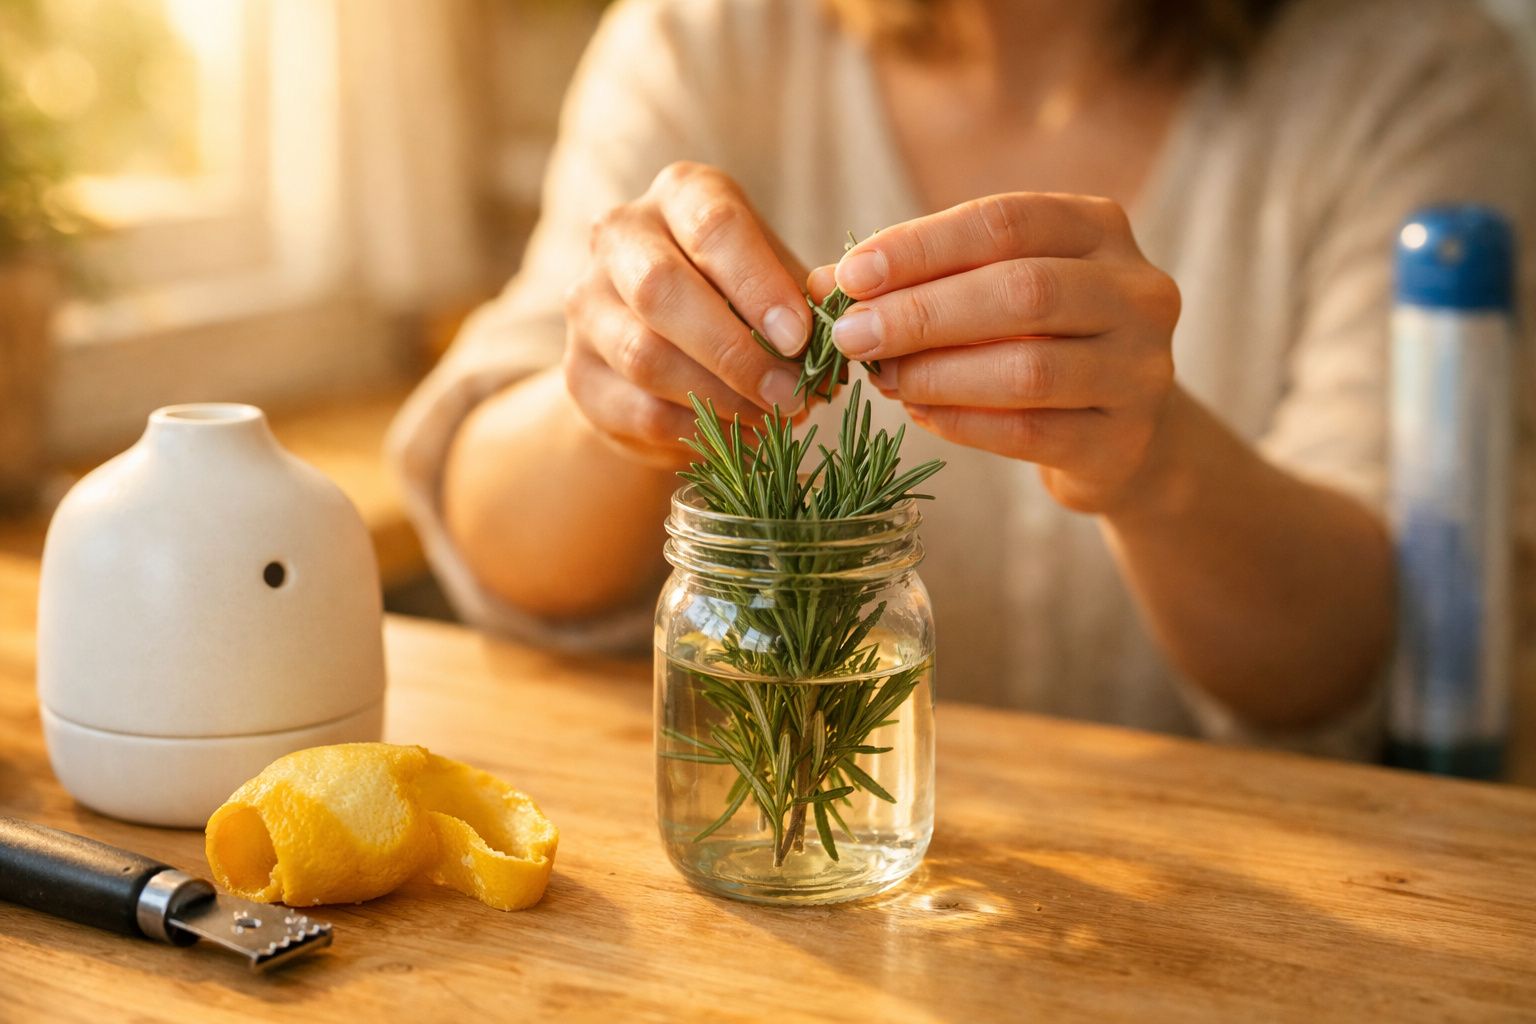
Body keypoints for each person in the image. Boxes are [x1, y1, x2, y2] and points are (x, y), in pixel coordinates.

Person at [388, 0, 1535, 757]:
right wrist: (625, 394)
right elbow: (495, 526)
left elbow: (1372, 638)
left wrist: (1156, 465)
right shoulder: (703, 38)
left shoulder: (1415, 76)